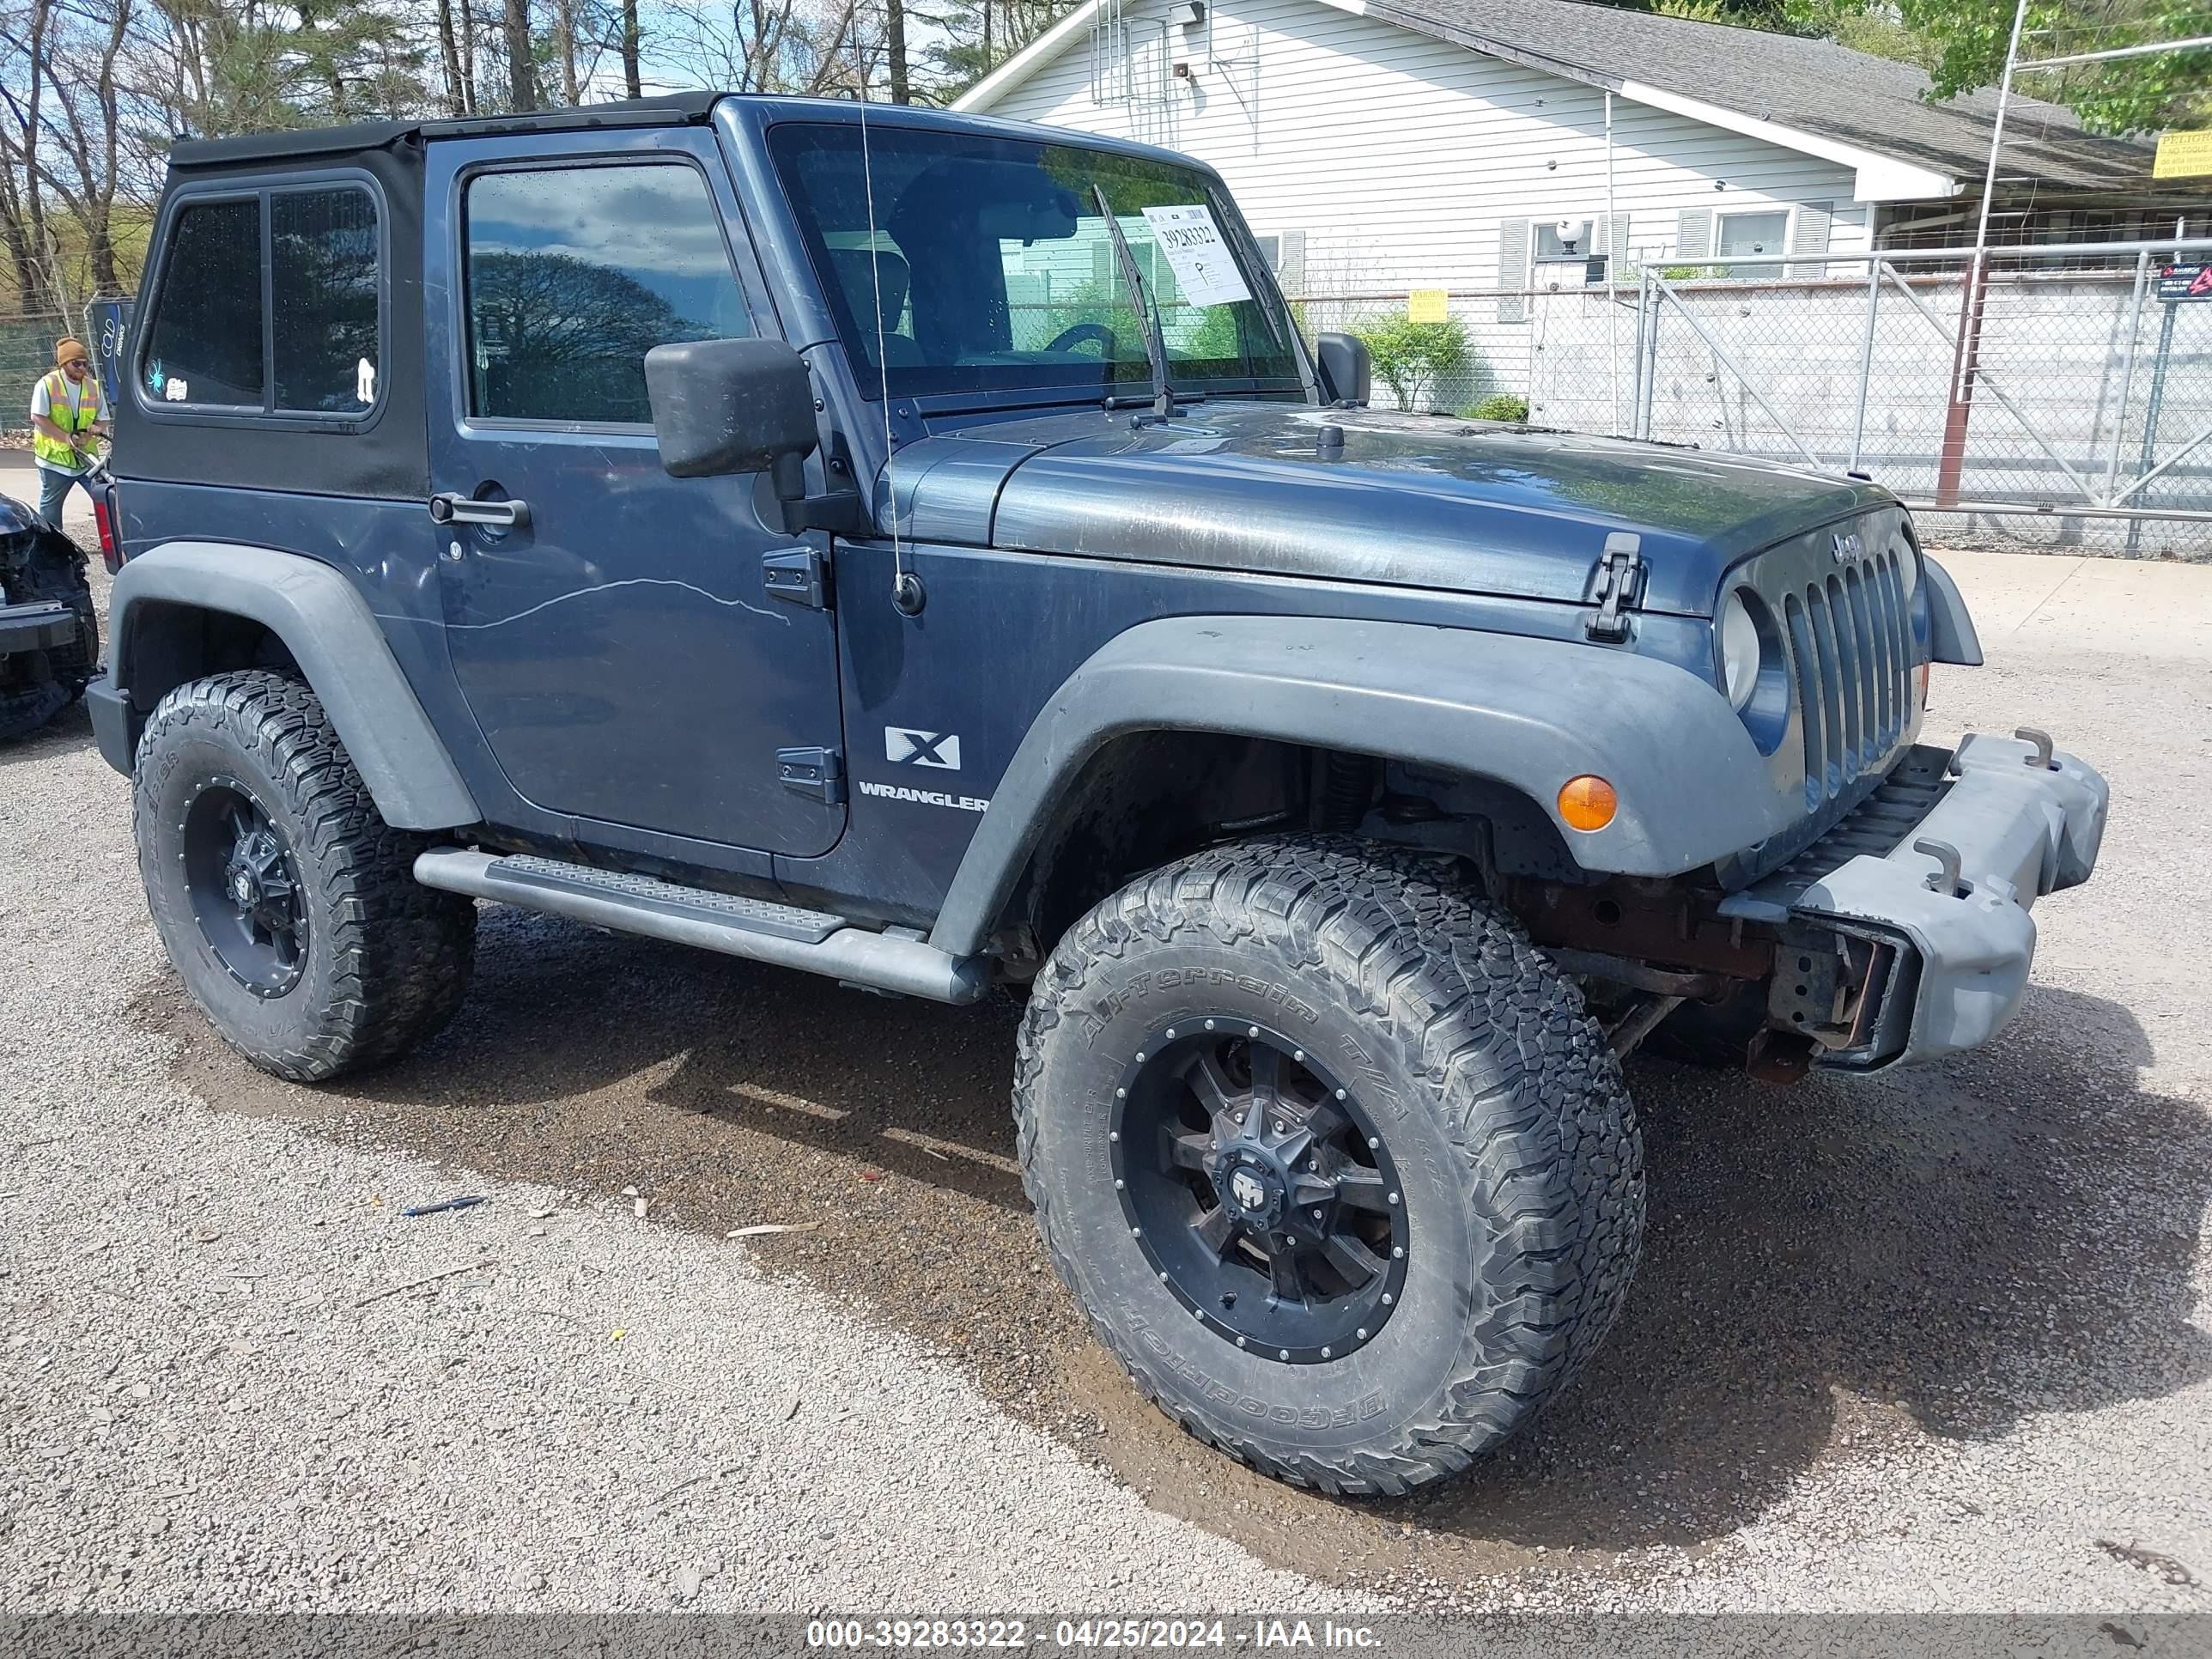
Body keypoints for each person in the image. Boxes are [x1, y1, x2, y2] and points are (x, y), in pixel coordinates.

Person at [29, 338, 108, 529]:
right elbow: (38, 417)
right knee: (51, 508)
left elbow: (103, 419)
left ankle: (115, 540)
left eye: (85, 363)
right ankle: (53, 546)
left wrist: (95, 430)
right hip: (55, 460)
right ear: (64, 363)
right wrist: (66, 438)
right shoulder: (47, 384)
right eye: (76, 363)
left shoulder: (93, 387)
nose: (82, 367)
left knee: (108, 498)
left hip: (86, 460)